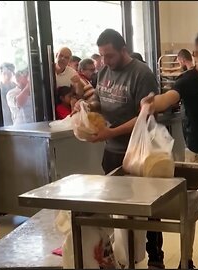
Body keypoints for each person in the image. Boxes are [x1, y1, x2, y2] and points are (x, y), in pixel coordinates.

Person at [73, 28, 164, 269]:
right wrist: (87, 107)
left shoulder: (141, 74)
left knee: (147, 208)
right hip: (112, 152)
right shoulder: (103, 71)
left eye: (110, 55)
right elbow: (100, 101)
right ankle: (125, 256)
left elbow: (145, 116)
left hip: (140, 153)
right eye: (102, 56)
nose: (105, 61)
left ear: (123, 50)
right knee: (118, 207)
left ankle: (155, 258)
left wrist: (111, 132)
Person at [141, 29, 198, 269]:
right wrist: (152, 103)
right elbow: (169, 98)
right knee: (190, 210)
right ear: (197, 54)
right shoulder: (187, 81)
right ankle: (185, 259)